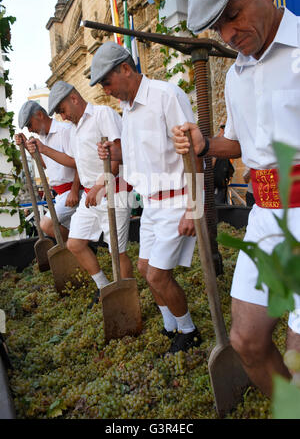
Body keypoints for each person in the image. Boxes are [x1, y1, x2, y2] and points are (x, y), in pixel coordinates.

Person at [172, 0, 300, 396]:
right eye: (218, 26)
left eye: (234, 15)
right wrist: (204, 143)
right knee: (246, 342)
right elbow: (240, 143)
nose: (229, 34)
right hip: (263, 217)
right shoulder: (237, 76)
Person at [94, 41, 202, 354]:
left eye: (107, 82)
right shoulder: (127, 111)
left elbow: (194, 150)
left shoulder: (165, 95)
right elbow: (135, 158)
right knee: (144, 269)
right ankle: (171, 325)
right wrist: (113, 153)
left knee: (157, 275)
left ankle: (190, 331)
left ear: (125, 69)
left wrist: (193, 207)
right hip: (152, 203)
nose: (106, 90)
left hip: (177, 199)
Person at [46, 81, 133, 306]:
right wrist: (43, 149)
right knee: (75, 243)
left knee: (118, 252)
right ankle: (105, 287)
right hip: (90, 195)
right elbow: (74, 161)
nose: (63, 117)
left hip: (115, 191)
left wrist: (99, 186)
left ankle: (126, 298)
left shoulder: (103, 114)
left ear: (73, 99)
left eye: (62, 111)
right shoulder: (75, 129)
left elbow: (119, 155)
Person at [16, 100, 82, 242]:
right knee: (67, 231)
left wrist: (75, 190)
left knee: (46, 225)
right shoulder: (43, 137)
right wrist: (27, 145)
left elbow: (79, 162)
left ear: (39, 115)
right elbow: (45, 164)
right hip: (59, 195)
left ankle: (83, 248)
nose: (29, 129)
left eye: (29, 124)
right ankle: (80, 250)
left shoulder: (65, 130)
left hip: (72, 192)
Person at [212, 125, 234, 204]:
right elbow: (210, 165)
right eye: (223, 132)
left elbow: (230, 163)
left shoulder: (224, 147)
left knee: (220, 205)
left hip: (222, 183)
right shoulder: (213, 145)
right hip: (213, 184)